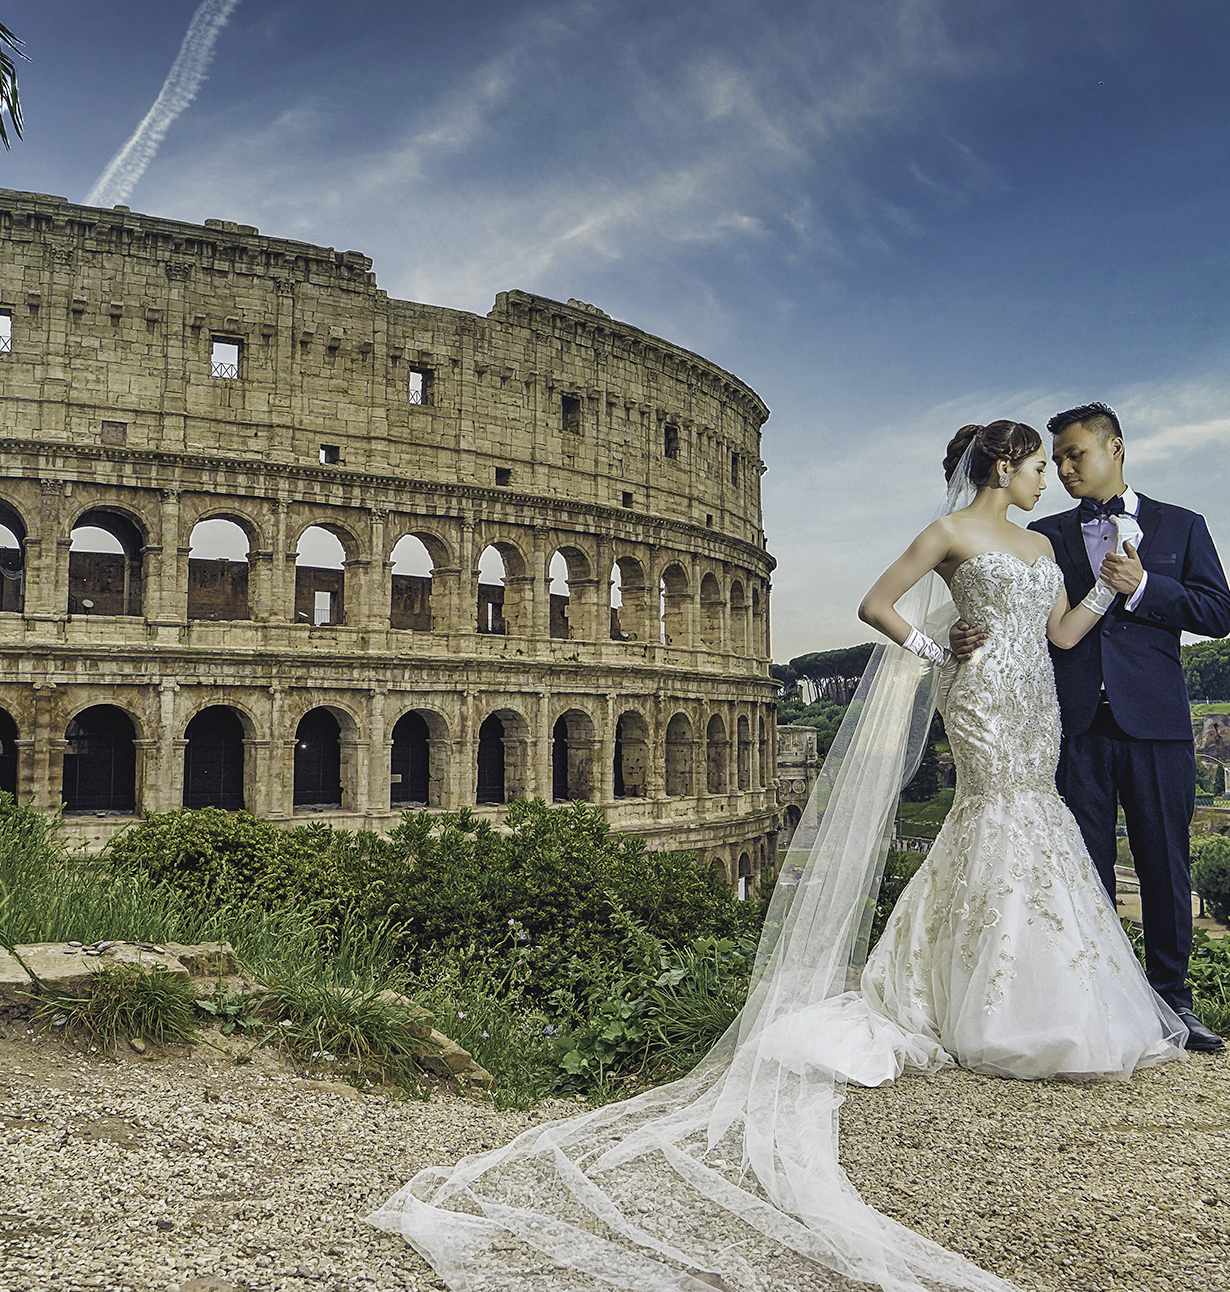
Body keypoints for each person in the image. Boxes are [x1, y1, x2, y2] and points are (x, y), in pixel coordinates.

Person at [368, 422, 1187, 1292]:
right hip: (980, 696)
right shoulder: (949, 536)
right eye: (1034, 469)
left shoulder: (1040, 544)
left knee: (1036, 818)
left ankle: (1040, 988)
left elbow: (1061, 636)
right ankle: (987, 1001)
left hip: (1034, 698)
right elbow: (878, 605)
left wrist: (1106, 589)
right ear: (999, 467)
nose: (1044, 483)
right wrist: (929, 648)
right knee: (994, 817)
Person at [949, 402, 1230, 1052]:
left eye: (1077, 453)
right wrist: (964, 633)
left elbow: (1219, 611)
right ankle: (1104, 1002)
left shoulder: (1183, 526)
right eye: (1059, 458)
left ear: (1117, 449)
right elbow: (1010, 607)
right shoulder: (1043, 534)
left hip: (1156, 723)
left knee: (1166, 865)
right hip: (1070, 723)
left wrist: (1144, 587)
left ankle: (1175, 1002)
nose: (1067, 467)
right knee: (1084, 871)